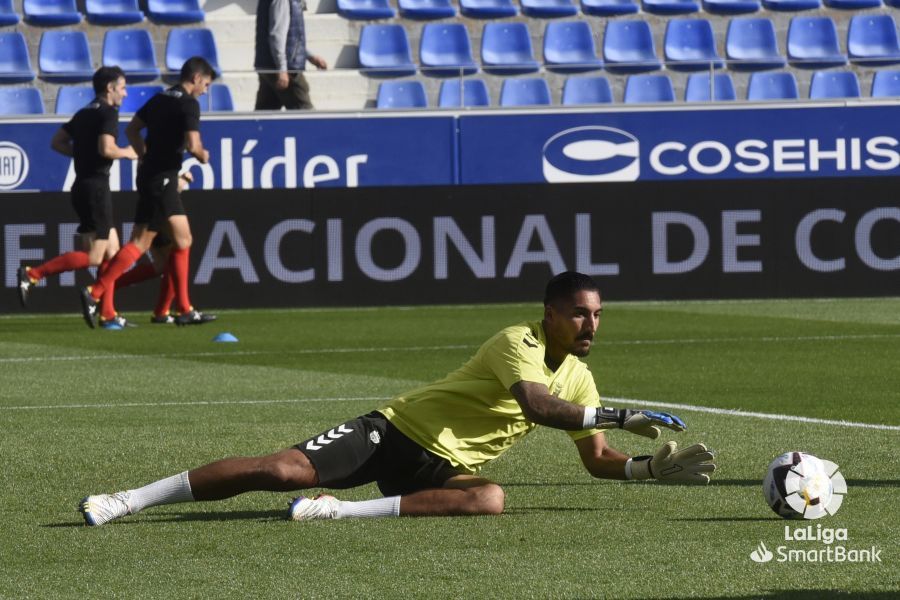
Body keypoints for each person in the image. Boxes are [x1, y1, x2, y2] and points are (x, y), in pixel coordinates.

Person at [78, 272, 716, 526]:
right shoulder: (515, 340)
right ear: (549, 314)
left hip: (436, 467)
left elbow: (595, 457)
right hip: (396, 431)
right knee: (276, 471)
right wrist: (619, 414)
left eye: (598, 315)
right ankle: (125, 499)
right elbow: (537, 409)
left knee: (489, 498)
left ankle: (336, 513)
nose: (592, 326)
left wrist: (642, 468)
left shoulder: (581, 375)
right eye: (580, 315)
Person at [78, 57, 218, 329]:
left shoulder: (160, 98)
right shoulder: (189, 103)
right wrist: (203, 155)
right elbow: (193, 144)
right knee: (179, 239)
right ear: (197, 78)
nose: (206, 90)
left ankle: (173, 308)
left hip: (148, 176)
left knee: (155, 242)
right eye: (207, 84)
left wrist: (145, 155)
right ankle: (99, 293)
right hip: (163, 178)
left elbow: (132, 129)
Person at [16, 66, 138, 328]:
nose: (125, 94)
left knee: (113, 252)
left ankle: (108, 314)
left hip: (81, 185)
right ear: (110, 88)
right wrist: (128, 152)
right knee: (95, 257)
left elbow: (57, 142)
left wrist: (81, 156)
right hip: (96, 188)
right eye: (123, 87)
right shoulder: (108, 113)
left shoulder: (84, 113)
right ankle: (33, 273)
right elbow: (107, 148)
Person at [254, 0, 327, 110]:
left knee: (265, 117)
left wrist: (309, 56)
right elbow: (276, 36)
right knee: (305, 116)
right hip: (286, 70)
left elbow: (289, 38)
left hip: (268, 66)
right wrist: (282, 68)